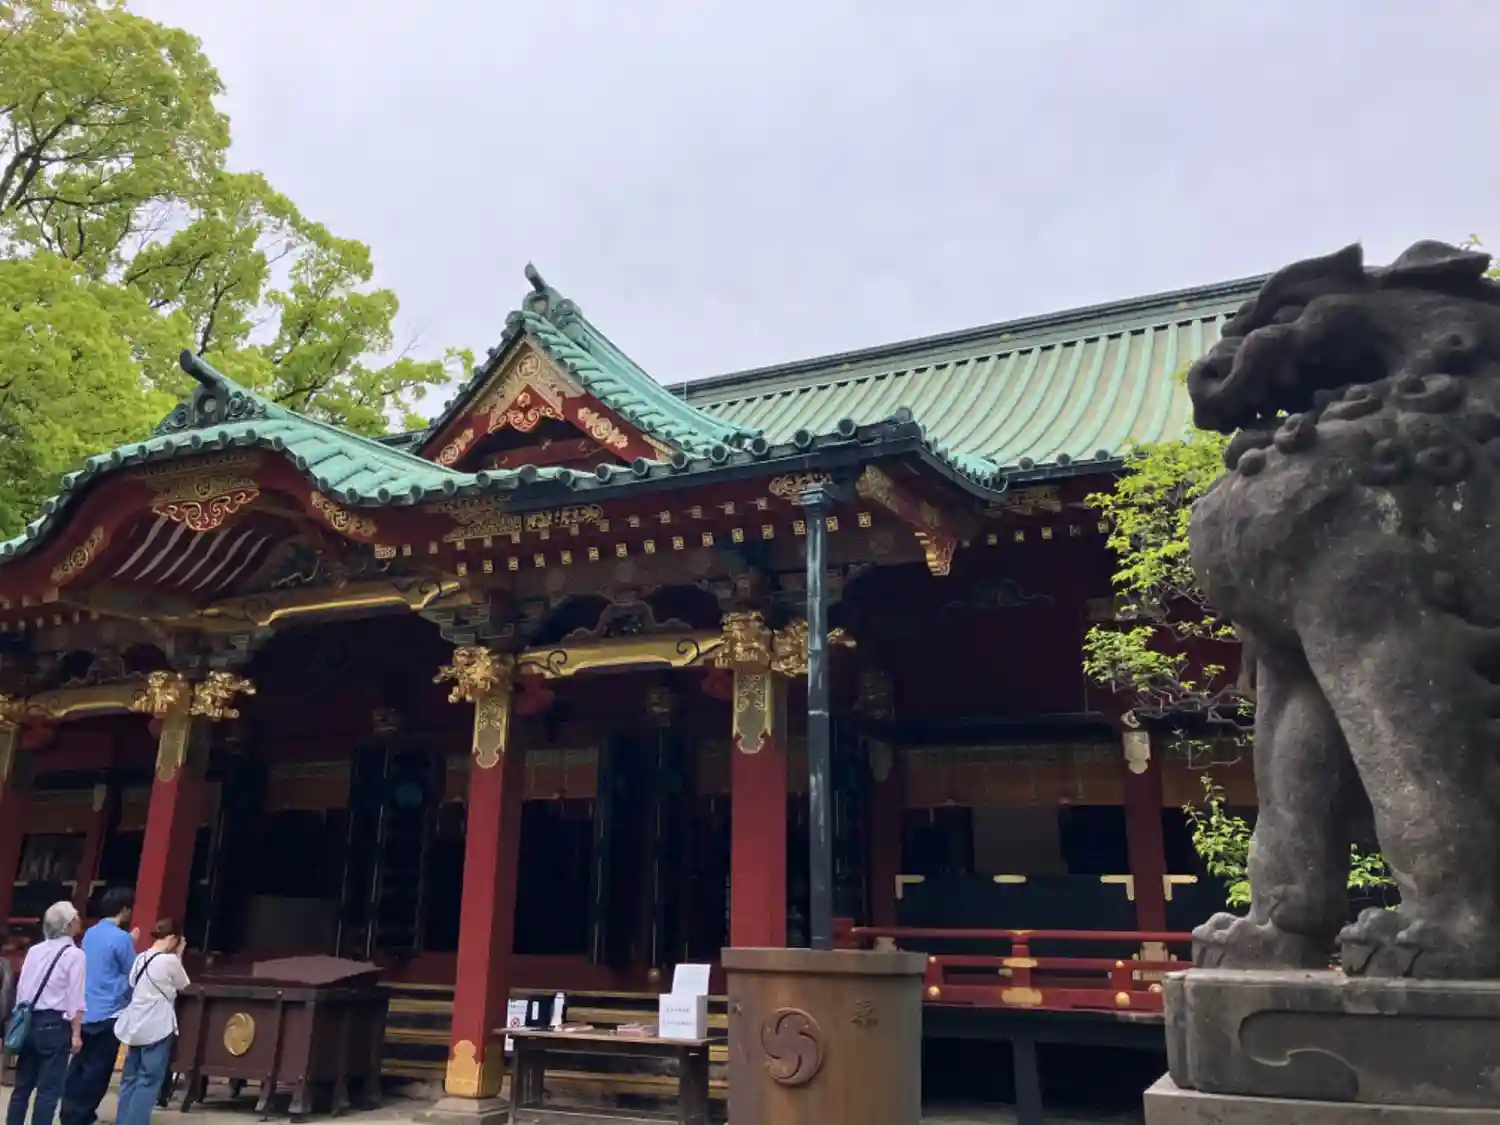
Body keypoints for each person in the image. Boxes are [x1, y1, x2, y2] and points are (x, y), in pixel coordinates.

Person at [60, 890, 139, 1125]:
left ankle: (68, 1111)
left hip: (86, 1008)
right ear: (124, 909)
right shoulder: (122, 938)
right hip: (109, 1010)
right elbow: (132, 974)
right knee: (99, 1070)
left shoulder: (90, 934)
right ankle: (83, 1115)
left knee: (79, 1065)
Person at [5, 902, 85, 1125]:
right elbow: (75, 997)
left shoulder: (34, 950)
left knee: (22, 1087)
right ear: (69, 923)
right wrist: (76, 1033)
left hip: (30, 1020)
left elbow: (22, 989)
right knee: (48, 1091)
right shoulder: (75, 955)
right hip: (55, 1024)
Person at [111, 921, 188, 1125]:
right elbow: (183, 984)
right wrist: (179, 954)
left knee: (130, 1079)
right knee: (149, 1079)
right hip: (158, 1025)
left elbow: (131, 983)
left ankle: (123, 1121)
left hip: (136, 1024)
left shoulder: (140, 958)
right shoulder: (170, 961)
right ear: (172, 938)